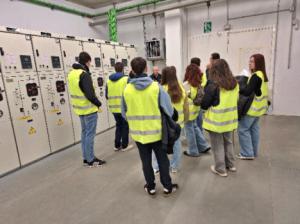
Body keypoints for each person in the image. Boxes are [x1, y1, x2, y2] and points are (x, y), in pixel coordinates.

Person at [122, 57, 178, 196]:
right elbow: (169, 110)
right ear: (146, 69)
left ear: (132, 70)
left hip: (139, 134)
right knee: (162, 159)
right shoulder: (155, 87)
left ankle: (151, 186)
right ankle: (167, 186)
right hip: (157, 132)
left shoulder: (127, 90)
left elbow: (124, 113)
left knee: (146, 161)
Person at [67, 52, 106, 167]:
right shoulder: (84, 74)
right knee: (90, 135)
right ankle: (91, 159)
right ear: (87, 61)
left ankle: (86, 158)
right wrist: (98, 103)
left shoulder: (72, 74)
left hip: (80, 110)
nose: (90, 64)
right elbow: (89, 94)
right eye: (90, 62)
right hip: (89, 110)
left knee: (84, 134)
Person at [201, 59, 239, 177]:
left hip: (216, 121)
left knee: (217, 145)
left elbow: (204, 104)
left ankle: (220, 169)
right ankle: (231, 165)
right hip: (230, 120)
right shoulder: (234, 83)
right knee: (228, 142)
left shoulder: (213, 84)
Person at [152, 66, 187, 173]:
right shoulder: (181, 87)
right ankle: (174, 166)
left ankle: (157, 167)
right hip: (178, 123)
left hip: (164, 123)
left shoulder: (161, 88)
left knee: (158, 146)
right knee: (177, 145)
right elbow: (185, 106)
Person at [237, 54, 269, 160]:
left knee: (243, 129)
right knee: (254, 130)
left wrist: (238, 87)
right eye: (249, 61)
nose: (249, 63)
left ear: (258, 63)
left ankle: (247, 153)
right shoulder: (263, 75)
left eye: (252, 61)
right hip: (259, 109)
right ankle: (253, 152)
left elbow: (247, 92)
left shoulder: (256, 76)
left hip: (252, 109)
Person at [183, 64, 210, 157]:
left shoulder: (186, 85)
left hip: (188, 113)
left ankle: (193, 151)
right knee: (195, 127)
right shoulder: (199, 84)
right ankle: (203, 146)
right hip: (196, 110)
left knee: (189, 131)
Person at [106, 62, 133, 152]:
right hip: (123, 108)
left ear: (115, 69)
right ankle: (125, 146)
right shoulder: (126, 79)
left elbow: (106, 95)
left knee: (118, 125)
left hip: (113, 108)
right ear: (122, 69)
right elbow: (131, 93)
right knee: (125, 126)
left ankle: (117, 145)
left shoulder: (108, 81)